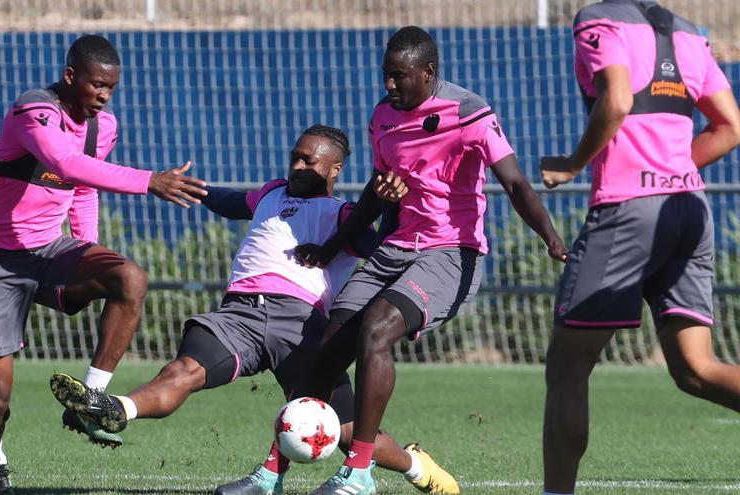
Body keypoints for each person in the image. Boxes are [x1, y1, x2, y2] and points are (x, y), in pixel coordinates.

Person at [49, 124, 460, 495]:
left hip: (301, 326)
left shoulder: (345, 217)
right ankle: (114, 408)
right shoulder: (271, 192)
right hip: (238, 316)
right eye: (294, 157)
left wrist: (389, 207)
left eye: (308, 161)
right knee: (181, 372)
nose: (296, 166)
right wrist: (190, 188)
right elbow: (228, 201)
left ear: (334, 170)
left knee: (348, 433)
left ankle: (415, 465)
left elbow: (384, 251)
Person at [292, 26, 568, 495]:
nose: (390, 86)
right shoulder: (383, 116)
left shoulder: (469, 113)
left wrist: (550, 236)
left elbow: (516, 183)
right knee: (327, 350)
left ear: (429, 72)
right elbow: (376, 194)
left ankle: (358, 473)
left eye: (399, 77)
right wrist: (333, 247)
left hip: (451, 253)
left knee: (378, 328)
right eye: (386, 76)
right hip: (396, 248)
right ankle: (275, 471)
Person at [0, 34, 207, 495]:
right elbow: (66, 164)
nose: (103, 96)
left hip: (49, 251)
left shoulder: (103, 126)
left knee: (129, 277)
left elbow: (83, 189)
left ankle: (90, 399)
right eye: (96, 86)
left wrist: (87, 251)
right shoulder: (35, 111)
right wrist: (148, 181)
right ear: (70, 77)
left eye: (111, 88)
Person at [539, 1, 740, 494]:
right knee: (696, 369)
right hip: (689, 209)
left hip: (628, 210)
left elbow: (618, 101)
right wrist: (672, 173)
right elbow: (730, 126)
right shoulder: (690, 33)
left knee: (567, 365)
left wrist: (571, 164)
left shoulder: (599, 20)